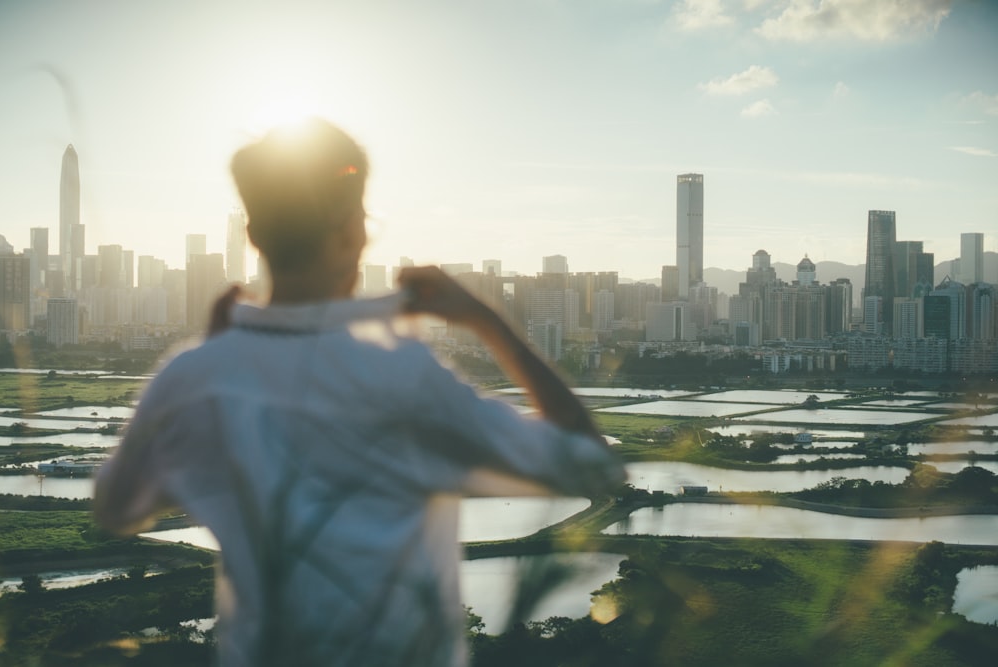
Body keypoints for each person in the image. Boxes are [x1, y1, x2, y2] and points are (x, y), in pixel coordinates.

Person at [94, 118, 626, 667]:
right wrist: (487, 320)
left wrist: (215, 357)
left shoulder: (193, 377)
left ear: (253, 234)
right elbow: (591, 467)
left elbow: (117, 508)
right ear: (353, 230)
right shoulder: (403, 377)